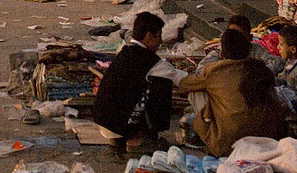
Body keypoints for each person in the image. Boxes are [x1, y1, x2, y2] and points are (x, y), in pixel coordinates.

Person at [177, 27, 285, 156]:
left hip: (227, 142)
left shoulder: (213, 70)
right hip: (268, 137)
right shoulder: (260, 68)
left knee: (196, 91)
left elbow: (184, 84)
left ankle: (209, 126)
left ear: (223, 53)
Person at [92, 12, 173, 151]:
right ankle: (138, 139)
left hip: (105, 122)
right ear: (148, 36)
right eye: (159, 36)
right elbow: (181, 79)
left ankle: (126, 136)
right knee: (162, 83)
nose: (160, 42)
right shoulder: (149, 61)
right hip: (119, 125)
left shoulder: (125, 52)